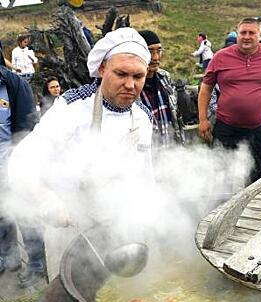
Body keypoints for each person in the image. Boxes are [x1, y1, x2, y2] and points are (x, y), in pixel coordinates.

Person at [8, 27, 153, 229]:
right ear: (102, 69)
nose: (130, 85)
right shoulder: (72, 106)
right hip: (73, 226)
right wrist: (44, 200)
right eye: (121, 74)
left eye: (138, 77)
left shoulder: (143, 116)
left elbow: (145, 175)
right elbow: (22, 162)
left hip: (124, 225)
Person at [198, 17, 261, 184]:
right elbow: (206, 87)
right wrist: (203, 119)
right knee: (221, 174)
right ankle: (222, 208)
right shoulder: (221, 57)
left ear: (260, 35)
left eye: (252, 33)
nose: (247, 36)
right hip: (226, 127)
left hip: (258, 128)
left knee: (257, 175)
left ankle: (255, 208)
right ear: (237, 35)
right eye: (243, 32)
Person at [0, 65, 43, 288]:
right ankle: (9, 260)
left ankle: (36, 265)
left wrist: (23, 165)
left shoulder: (12, 84)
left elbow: (28, 129)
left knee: (27, 215)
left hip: (15, 163)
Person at [138, 30, 186, 147]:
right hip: (146, 154)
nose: (156, 57)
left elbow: (175, 116)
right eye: (150, 52)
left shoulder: (165, 77)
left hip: (170, 152)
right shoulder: (131, 85)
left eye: (159, 51)